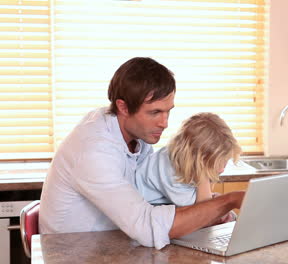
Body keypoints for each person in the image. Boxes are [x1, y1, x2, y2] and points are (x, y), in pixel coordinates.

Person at [39, 57, 245, 250]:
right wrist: (228, 201)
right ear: (123, 107)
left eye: (168, 111)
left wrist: (210, 205)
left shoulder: (135, 134)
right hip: (76, 253)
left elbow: (148, 200)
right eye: (155, 112)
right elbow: (147, 227)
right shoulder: (94, 151)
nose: (164, 123)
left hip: (115, 243)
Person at [134, 112, 241, 211]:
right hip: (135, 209)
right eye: (217, 163)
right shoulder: (172, 175)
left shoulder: (181, 158)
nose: (222, 169)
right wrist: (203, 180)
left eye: (225, 161)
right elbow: (203, 211)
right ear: (197, 160)